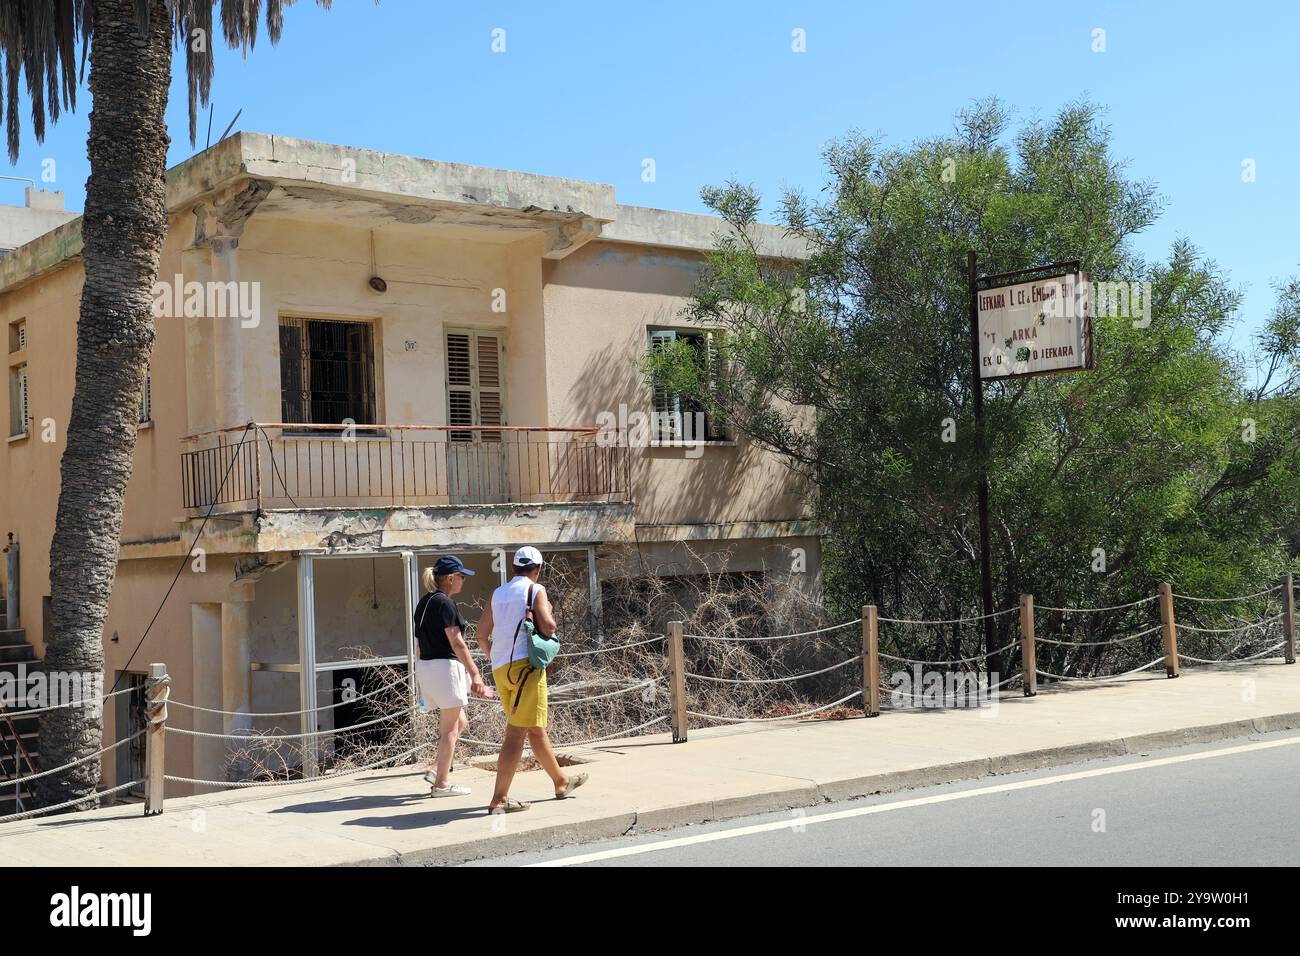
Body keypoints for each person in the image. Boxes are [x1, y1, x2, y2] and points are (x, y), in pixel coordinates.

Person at [476, 546, 587, 814]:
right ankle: (499, 800)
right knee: (515, 733)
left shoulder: (498, 593)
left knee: (534, 727)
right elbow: (548, 626)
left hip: (501, 669)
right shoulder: (535, 589)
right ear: (537, 570)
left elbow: (481, 634)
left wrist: (497, 657)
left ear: (514, 568)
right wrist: (546, 609)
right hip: (526, 668)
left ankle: (561, 781)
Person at [413, 555, 490, 797]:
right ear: (449, 578)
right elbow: (457, 643)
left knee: (460, 723)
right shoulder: (445, 603)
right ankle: (442, 785)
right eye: (461, 576)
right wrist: (475, 674)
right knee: (449, 730)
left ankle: (438, 770)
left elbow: (418, 643)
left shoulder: (424, 603)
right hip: (445, 668)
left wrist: (421, 673)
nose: (463, 580)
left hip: (426, 667)